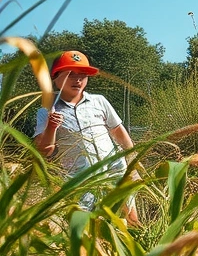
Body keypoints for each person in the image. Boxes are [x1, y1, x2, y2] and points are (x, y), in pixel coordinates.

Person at [33, 50, 140, 224]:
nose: (78, 80)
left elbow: (118, 130)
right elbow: (43, 151)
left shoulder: (99, 101)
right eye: (71, 75)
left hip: (114, 170)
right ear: (56, 78)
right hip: (79, 179)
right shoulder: (46, 111)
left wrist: (133, 159)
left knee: (129, 217)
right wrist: (52, 127)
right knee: (87, 224)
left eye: (82, 75)